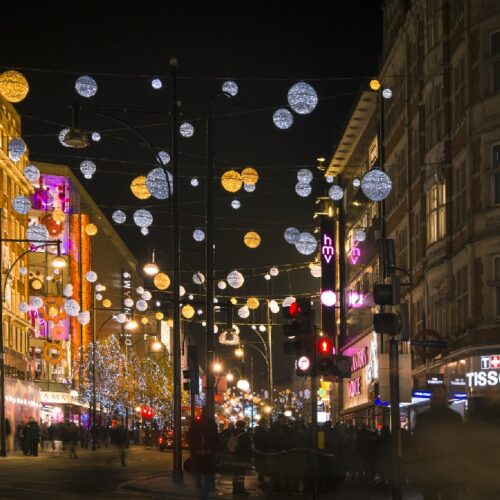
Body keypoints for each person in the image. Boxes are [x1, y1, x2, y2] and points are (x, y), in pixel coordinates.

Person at [411, 385, 464, 500]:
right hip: (446, 467)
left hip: (431, 467)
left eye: (439, 392)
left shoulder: (423, 418)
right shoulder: (454, 417)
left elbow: (416, 443)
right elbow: (461, 443)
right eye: (436, 392)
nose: (437, 394)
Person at [187, 406, 219, 500]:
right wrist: (214, 449)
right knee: (207, 474)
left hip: (198, 452)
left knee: (198, 473)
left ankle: (201, 493)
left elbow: (190, 436)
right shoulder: (212, 424)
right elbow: (216, 439)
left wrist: (193, 448)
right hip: (207, 453)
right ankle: (204, 495)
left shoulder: (196, 423)